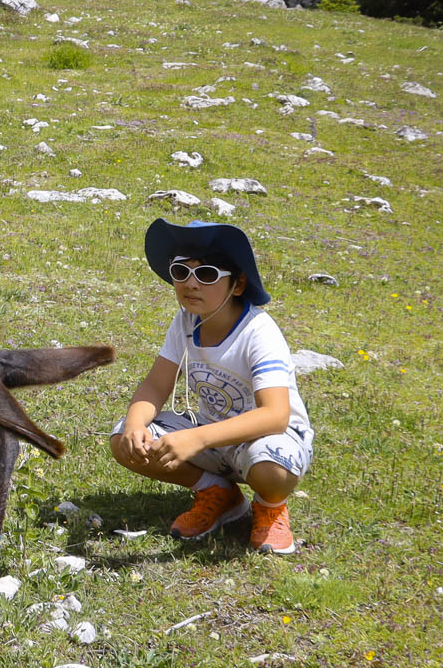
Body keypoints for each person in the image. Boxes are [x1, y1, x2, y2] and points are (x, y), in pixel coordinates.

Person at [109, 219, 314, 554]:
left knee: (271, 467)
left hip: (268, 440)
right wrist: (135, 424)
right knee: (123, 441)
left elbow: (276, 416)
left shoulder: (258, 331)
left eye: (205, 275)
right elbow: (156, 384)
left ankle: (270, 506)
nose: (190, 284)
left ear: (237, 284)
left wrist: (197, 437)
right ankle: (219, 494)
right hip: (214, 438)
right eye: (180, 272)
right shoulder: (185, 322)